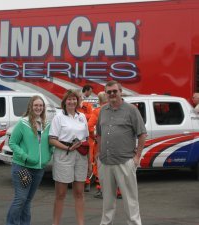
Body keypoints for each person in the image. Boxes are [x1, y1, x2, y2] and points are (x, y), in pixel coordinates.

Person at [96, 80, 147, 225]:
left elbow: (142, 134)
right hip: (105, 162)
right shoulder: (102, 111)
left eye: (114, 91)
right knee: (107, 201)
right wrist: (98, 153)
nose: (112, 94)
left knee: (130, 200)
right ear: (105, 94)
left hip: (125, 161)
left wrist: (137, 157)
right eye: (109, 92)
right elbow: (99, 133)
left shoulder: (131, 110)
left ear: (120, 91)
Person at [6, 95, 53, 225]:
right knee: (20, 199)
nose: (38, 108)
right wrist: (25, 156)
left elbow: (50, 145)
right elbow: (13, 142)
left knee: (27, 200)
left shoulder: (46, 124)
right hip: (23, 167)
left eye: (41, 106)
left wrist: (47, 157)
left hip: (39, 169)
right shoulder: (23, 123)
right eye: (36, 105)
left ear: (44, 108)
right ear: (31, 107)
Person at [49, 89, 89, 225]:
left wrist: (89, 162)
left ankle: (81, 223)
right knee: (61, 194)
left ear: (77, 101)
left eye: (74, 99)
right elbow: (52, 139)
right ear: (64, 102)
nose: (72, 101)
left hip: (81, 155)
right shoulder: (58, 117)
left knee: (79, 193)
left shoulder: (82, 116)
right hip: (64, 154)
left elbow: (86, 140)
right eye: (69, 99)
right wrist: (67, 148)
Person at [88, 91, 122, 199]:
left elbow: (89, 127)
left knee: (100, 168)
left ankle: (102, 190)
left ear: (99, 100)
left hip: (101, 144)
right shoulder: (116, 110)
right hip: (116, 143)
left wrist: (94, 138)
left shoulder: (97, 111)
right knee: (117, 168)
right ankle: (119, 191)